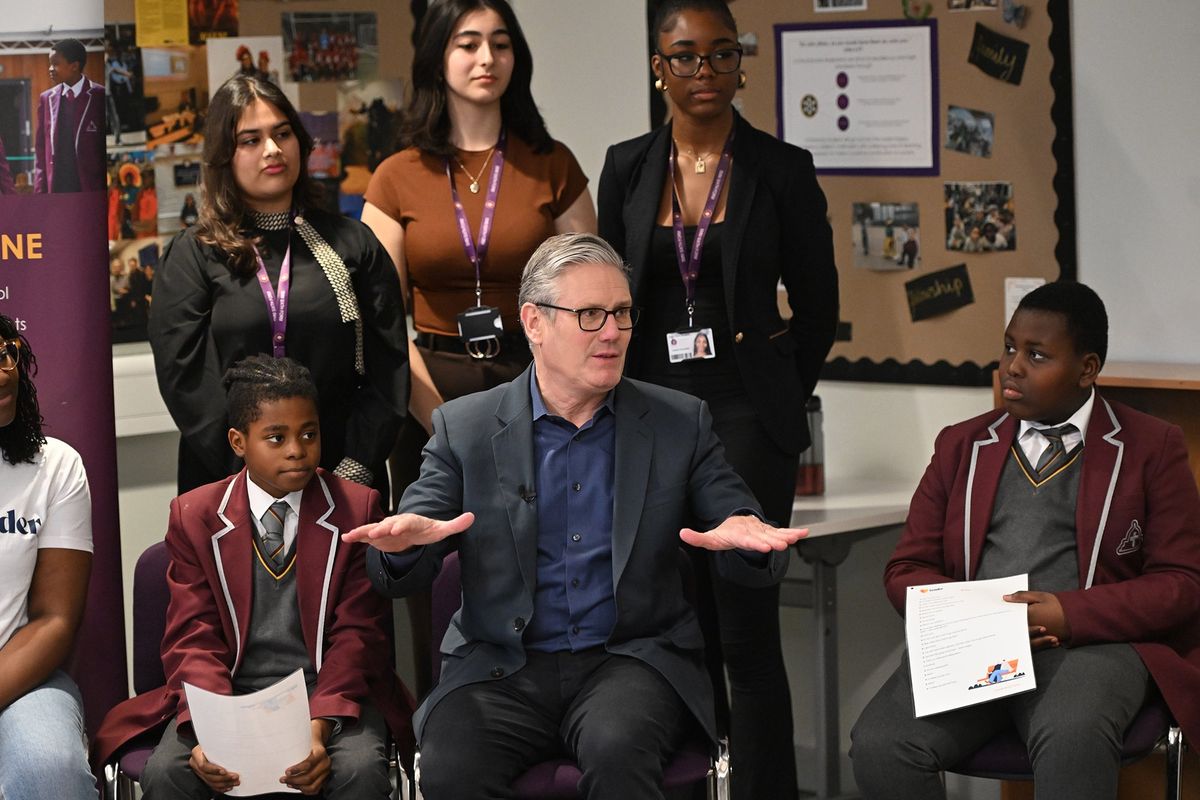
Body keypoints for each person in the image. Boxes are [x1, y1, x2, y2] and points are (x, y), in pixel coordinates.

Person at [344, 233, 805, 799]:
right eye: (589, 315)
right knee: (451, 766)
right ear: (534, 322)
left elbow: (731, 513)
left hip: (630, 661)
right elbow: (411, 544)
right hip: (501, 668)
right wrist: (406, 546)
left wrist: (744, 535)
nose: (612, 332)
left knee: (619, 750)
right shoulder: (464, 427)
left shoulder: (678, 422)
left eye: (622, 314)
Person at [597, 2, 838, 796]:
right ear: (657, 66)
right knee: (671, 624)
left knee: (745, 628)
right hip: (645, 416)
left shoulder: (781, 168)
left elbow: (818, 304)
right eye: (686, 55)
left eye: (721, 55)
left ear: (741, 64)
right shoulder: (628, 166)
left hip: (744, 420)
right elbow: (609, 296)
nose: (705, 72)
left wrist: (775, 400)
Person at [850, 282, 1200, 800]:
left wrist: (1066, 613)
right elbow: (906, 568)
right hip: (976, 644)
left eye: (1037, 355)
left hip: (1093, 646)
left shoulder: (1151, 446)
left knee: (1073, 737)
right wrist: (970, 615)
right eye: (1009, 347)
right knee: (881, 744)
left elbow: (1181, 583)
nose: (1013, 366)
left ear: (1087, 369)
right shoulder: (962, 444)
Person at [361, 0, 595, 694]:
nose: (485, 58)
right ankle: (445, 724)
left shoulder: (551, 164)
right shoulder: (397, 173)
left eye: (500, 43)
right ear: (439, 57)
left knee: (538, 559)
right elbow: (379, 324)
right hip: (427, 392)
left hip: (537, 390)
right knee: (433, 564)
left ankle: (545, 711)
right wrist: (437, 417)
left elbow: (590, 300)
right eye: (467, 44)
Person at [93, 355, 414, 798]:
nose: (297, 450)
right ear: (238, 441)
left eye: (309, 433)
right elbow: (193, 635)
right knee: (170, 772)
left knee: (358, 770)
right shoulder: (196, 515)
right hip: (228, 693)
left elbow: (359, 636)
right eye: (276, 437)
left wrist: (317, 730)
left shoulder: (356, 510)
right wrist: (215, 730)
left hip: (327, 693)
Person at [149, 74, 409, 495]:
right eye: (250, 140)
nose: (272, 149)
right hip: (228, 481)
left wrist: (355, 467)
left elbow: (388, 367)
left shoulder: (352, 243)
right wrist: (253, 476)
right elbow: (187, 380)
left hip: (343, 479)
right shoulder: (193, 255)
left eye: (282, 133)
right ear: (224, 155)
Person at [0, 316, 98, 799]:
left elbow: (56, 619)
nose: (2, 374)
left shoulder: (55, 464)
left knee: (50, 771)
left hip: (20, 672)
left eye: (4, 355)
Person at [34, 39, 106, 193]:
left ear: (74, 66)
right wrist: (40, 192)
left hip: (89, 189)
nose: (50, 69)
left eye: (56, 64)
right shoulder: (46, 99)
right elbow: (41, 151)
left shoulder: (100, 95)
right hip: (57, 190)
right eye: (50, 64)